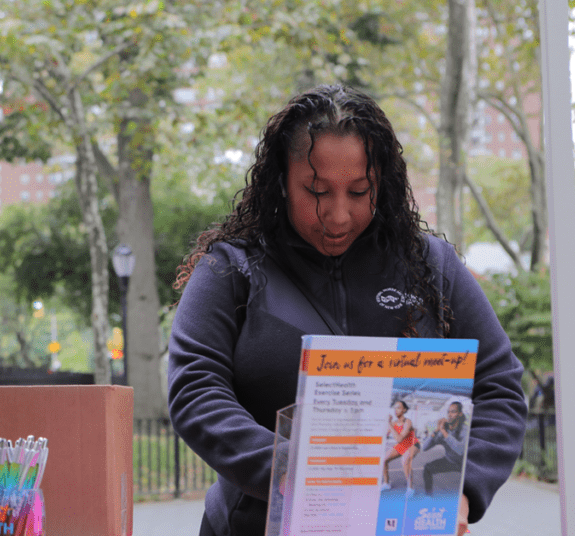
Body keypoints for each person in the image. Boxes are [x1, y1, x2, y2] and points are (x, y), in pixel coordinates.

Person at [167, 84, 527, 536]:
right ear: (281, 178)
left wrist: (463, 489)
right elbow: (195, 390)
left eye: (360, 191)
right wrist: (297, 475)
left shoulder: (431, 266)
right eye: (317, 191)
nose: (339, 216)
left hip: (404, 524)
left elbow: (500, 388)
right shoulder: (231, 270)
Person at [420, 401, 468, 496]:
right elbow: (424, 448)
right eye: (448, 412)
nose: (449, 415)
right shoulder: (443, 430)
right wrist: (437, 430)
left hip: (465, 464)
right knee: (427, 468)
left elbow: (460, 450)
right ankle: (428, 496)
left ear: (460, 414)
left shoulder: (465, 429)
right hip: (450, 461)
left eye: (453, 412)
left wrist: (444, 433)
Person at [381, 400, 420, 494]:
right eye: (395, 408)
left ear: (404, 410)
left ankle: (410, 488)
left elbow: (399, 439)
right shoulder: (393, 423)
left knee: (405, 460)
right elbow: (385, 436)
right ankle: (386, 483)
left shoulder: (408, 422)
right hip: (402, 445)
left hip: (412, 444)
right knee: (383, 459)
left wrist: (389, 424)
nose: (396, 410)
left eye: (398, 407)